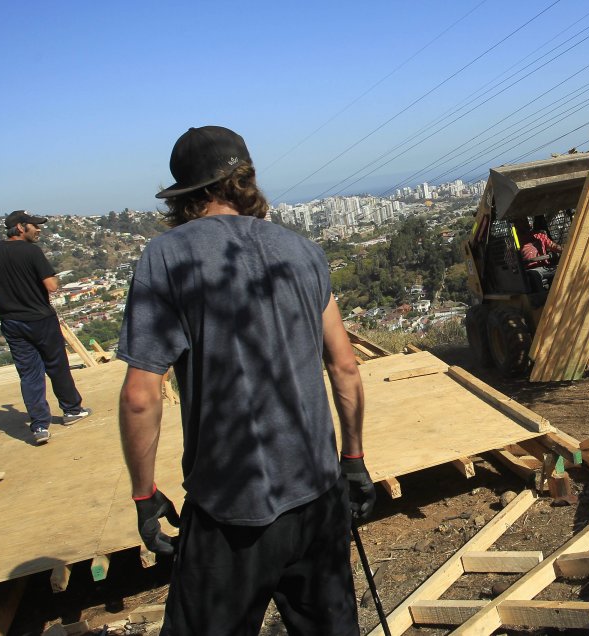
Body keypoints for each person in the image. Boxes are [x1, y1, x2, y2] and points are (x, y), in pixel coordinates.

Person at [117, 125, 374, 636]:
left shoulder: (168, 257)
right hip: (318, 499)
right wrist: (354, 462)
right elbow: (344, 366)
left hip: (231, 514)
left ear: (187, 195)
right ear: (244, 181)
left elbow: (141, 397)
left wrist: (144, 496)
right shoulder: (303, 252)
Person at [0, 210, 92, 445]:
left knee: (29, 374)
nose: (39, 229)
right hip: (40, 319)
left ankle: (39, 426)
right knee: (57, 365)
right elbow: (51, 285)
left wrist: (4, 308)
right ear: (20, 227)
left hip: (11, 321)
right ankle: (71, 410)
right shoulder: (31, 251)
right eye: (34, 225)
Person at [517, 215, 562, 290]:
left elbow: (553, 246)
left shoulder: (540, 236)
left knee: (560, 269)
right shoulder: (516, 242)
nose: (525, 224)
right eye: (521, 221)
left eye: (526, 221)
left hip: (545, 267)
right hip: (530, 270)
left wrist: (563, 249)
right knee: (535, 275)